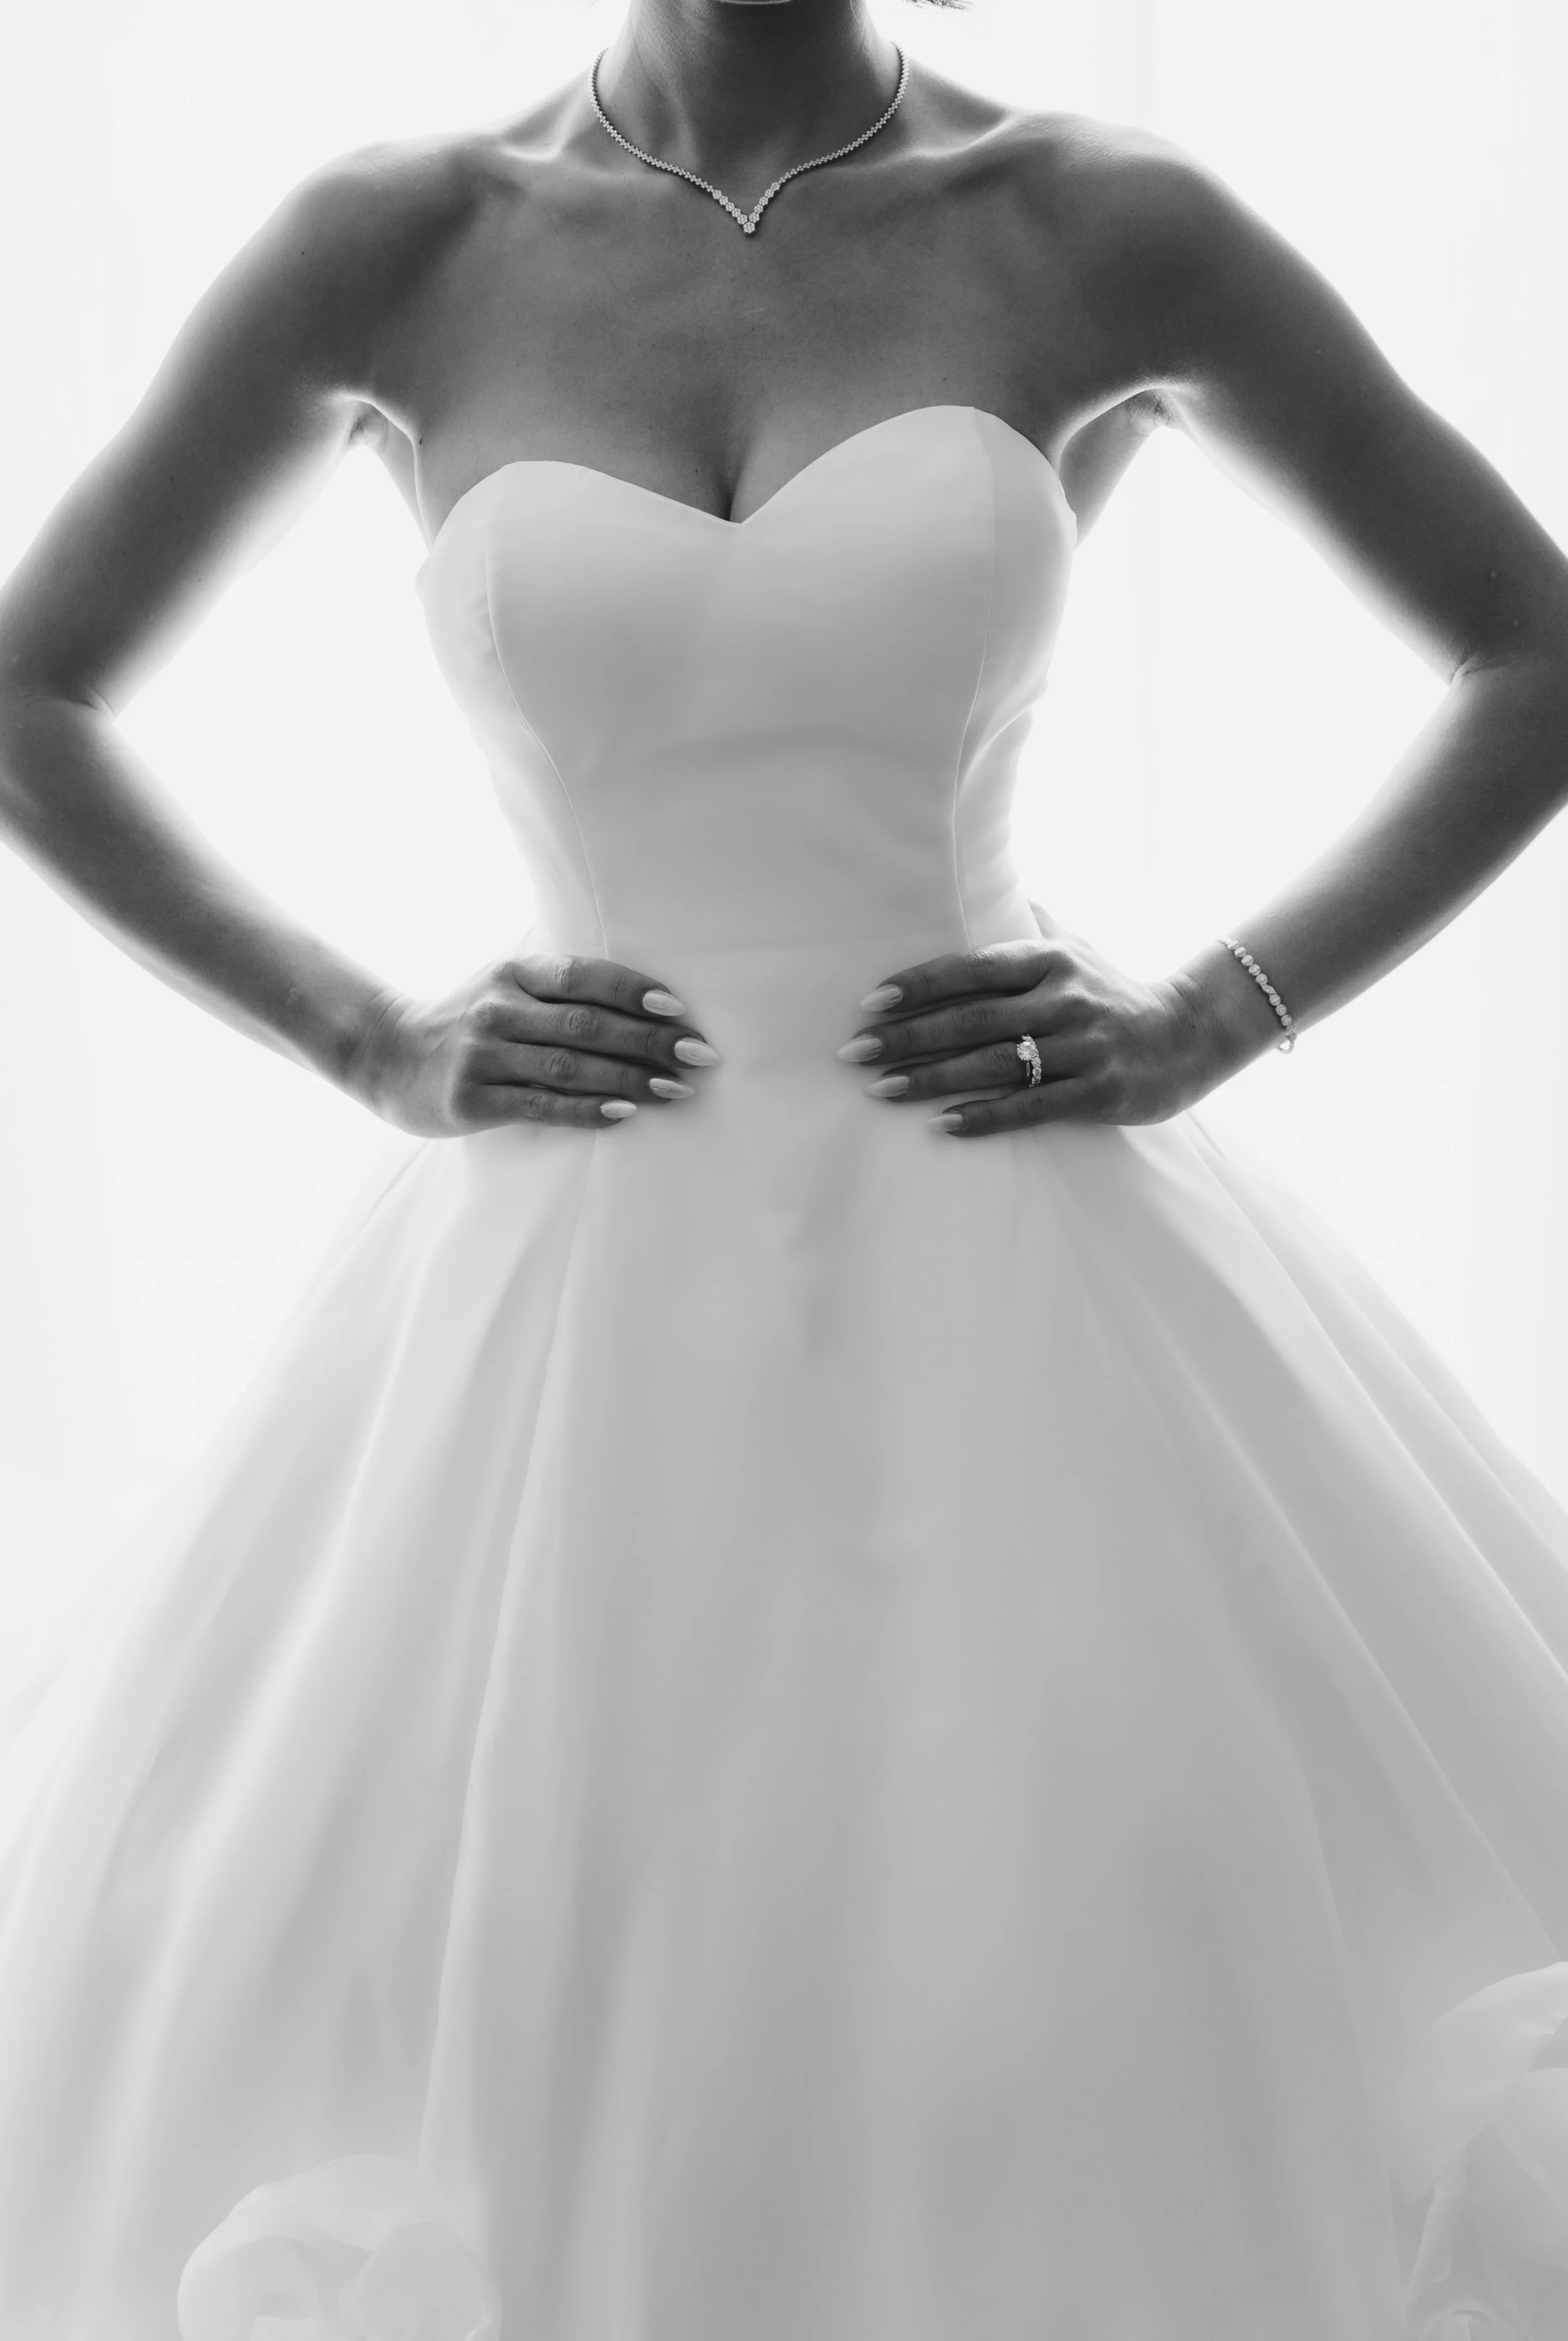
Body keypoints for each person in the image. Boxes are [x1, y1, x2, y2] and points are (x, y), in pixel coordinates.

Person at [3, 0, 1568, 2332]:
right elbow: (32, 690)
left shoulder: (1087, 219)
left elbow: (1534, 643)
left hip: (1013, 1237)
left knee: (1067, 1941)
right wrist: (360, 1030)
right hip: (566, 1277)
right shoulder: (403, 238)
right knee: (536, 1964)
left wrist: (1223, 1008)